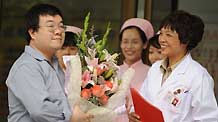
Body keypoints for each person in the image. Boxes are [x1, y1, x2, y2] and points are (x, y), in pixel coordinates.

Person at [5, 4, 92, 122]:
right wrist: (71, 117)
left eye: (61, 26)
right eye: (51, 27)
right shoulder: (26, 66)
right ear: (33, 33)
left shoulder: (57, 64)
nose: (58, 31)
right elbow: (40, 110)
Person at [128, 10, 218, 122]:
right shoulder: (155, 68)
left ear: (185, 40)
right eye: (161, 33)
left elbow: (208, 119)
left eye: (168, 35)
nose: (162, 39)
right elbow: (142, 100)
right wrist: (134, 113)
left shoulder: (199, 76)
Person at [115, 18, 154, 121]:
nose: (129, 47)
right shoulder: (111, 72)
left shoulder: (152, 73)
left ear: (145, 44)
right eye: (125, 42)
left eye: (135, 42)